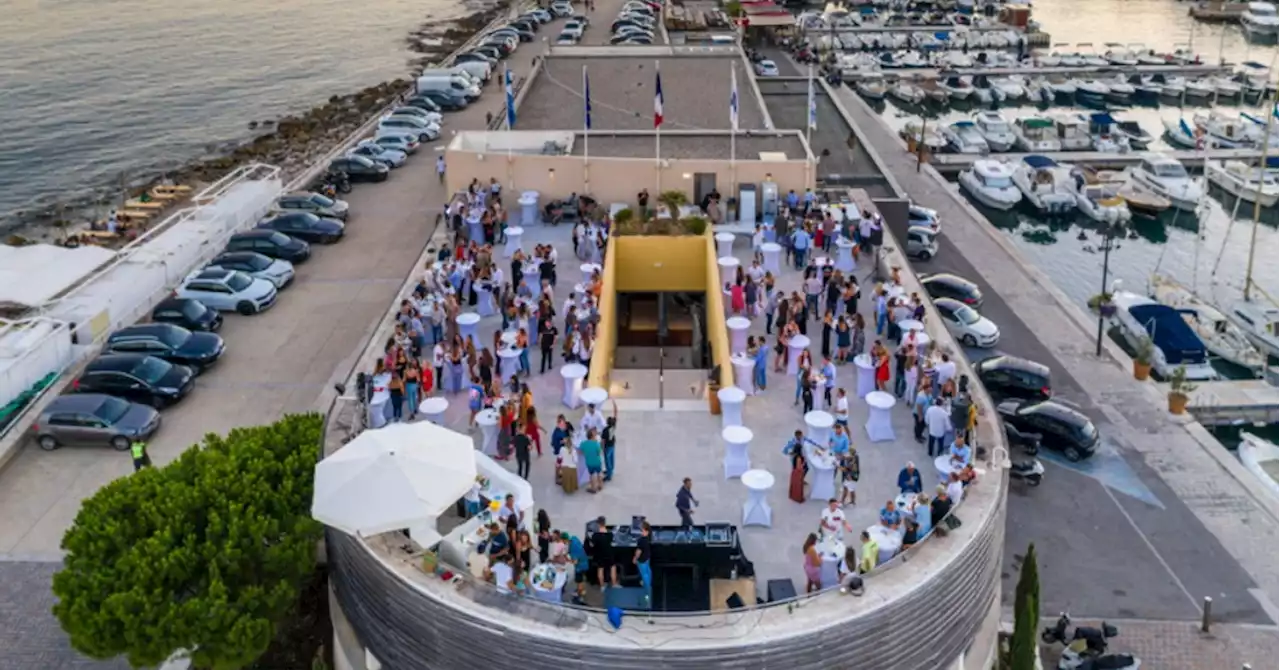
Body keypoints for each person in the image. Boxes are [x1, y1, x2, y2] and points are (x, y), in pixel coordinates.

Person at [588, 516, 618, 588]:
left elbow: (591, 545)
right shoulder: (610, 534)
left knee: (600, 570)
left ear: (598, 524)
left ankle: (602, 586)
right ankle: (614, 584)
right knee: (613, 568)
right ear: (605, 523)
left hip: (600, 555)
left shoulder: (595, 535)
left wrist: (590, 539)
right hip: (609, 554)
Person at [566, 531, 590, 604]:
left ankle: (579, 597)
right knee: (582, 580)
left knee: (579, 581)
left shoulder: (573, 548)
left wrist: (568, 560)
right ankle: (582, 591)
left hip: (580, 567)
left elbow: (575, 562)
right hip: (585, 563)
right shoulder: (574, 539)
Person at [580, 428, 604, 493]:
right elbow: (599, 453)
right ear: (592, 436)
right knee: (599, 473)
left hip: (589, 462)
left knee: (591, 475)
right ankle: (600, 485)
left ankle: (593, 488)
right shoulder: (596, 444)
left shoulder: (584, 443)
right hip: (597, 462)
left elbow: (581, 451)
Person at [634, 521, 653, 601]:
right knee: (648, 571)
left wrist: (635, 558)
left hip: (642, 560)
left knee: (644, 575)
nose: (641, 531)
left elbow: (638, 551)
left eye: (642, 530)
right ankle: (649, 584)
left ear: (646, 531)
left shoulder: (641, 540)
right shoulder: (649, 537)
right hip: (647, 558)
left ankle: (647, 594)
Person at [601, 399, 619, 482]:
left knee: (607, 460)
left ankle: (609, 475)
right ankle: (611, 470)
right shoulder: (614, 425)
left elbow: (603, 440)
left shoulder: (605, 430)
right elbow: (616, 413)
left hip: (607, 446)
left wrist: (602, 448)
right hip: (612, 444)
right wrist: (614, 404)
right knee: (612, 458)